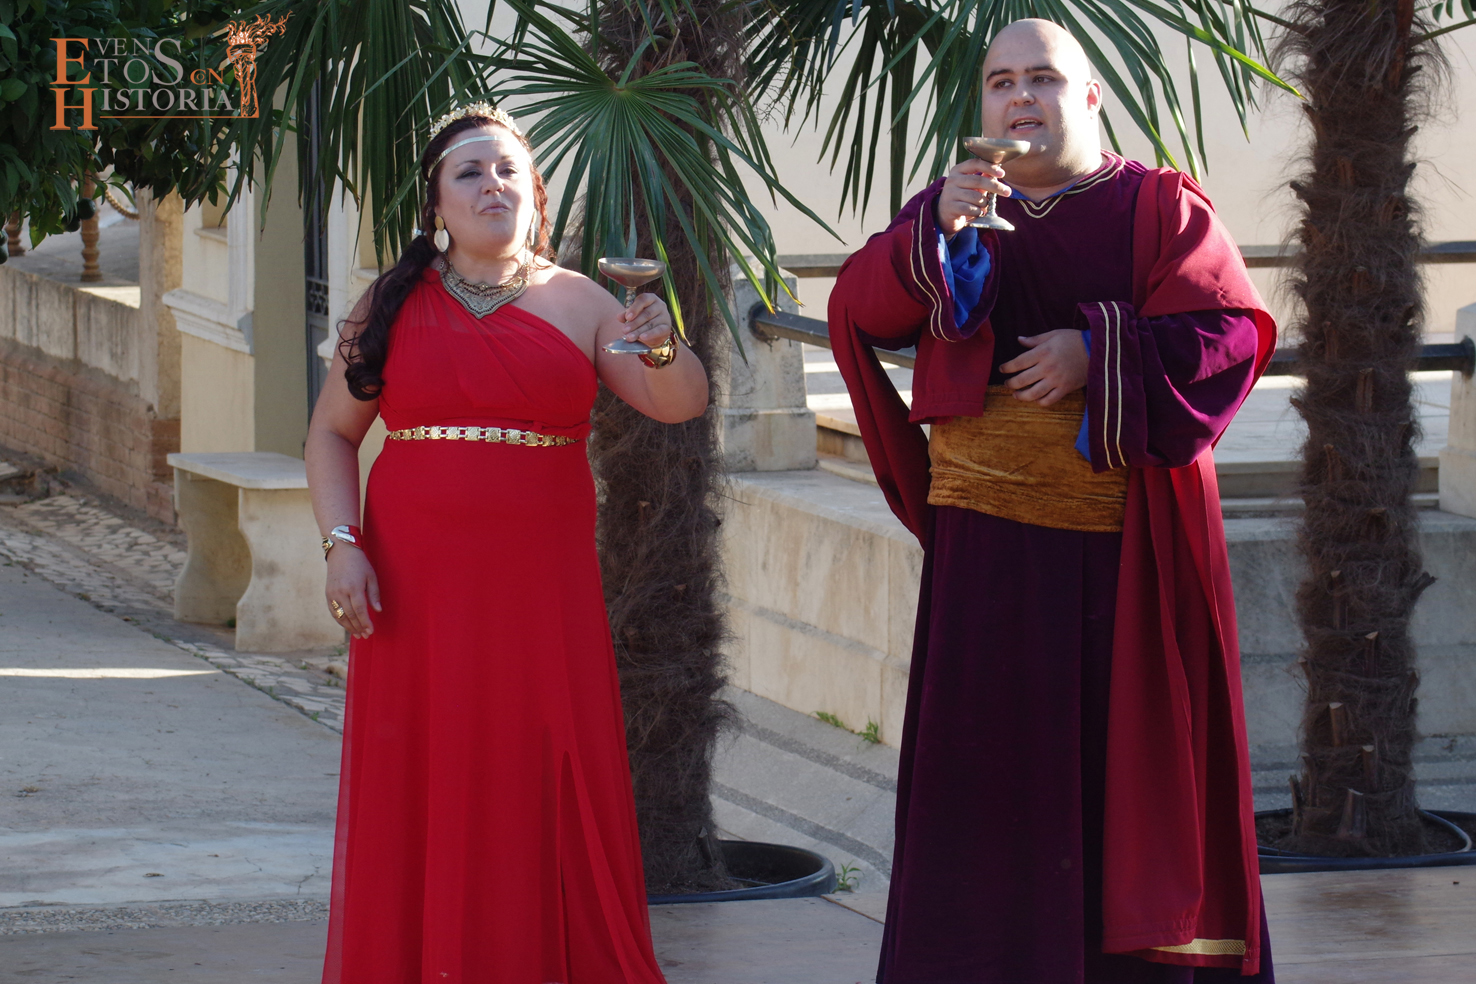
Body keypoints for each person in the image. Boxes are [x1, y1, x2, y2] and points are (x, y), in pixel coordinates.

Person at [828, 20, 1279, 984]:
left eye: (1043, 77)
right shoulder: (956, 202)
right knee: (983, 789)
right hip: (982, 559)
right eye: (1000, 81)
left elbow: (1229, 336)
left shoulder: (1157, 206)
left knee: (1121, 785)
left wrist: (1097, 351)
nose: (1020, 97)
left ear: (1090, 96)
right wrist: (933, 233)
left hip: (1118, 559)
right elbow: (862, 307)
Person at [305, 102, 706, 984]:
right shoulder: (389, 303)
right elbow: (331, 433)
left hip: (540, 591)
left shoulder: (583, 300)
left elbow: (677, 404)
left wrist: (661, 344)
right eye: (470, 172)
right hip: (415, 586)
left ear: (537, 193)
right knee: (425, 769)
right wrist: (342, 543)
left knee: (538, 768)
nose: (492, 184)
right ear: (436, 206)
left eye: (508, 170)